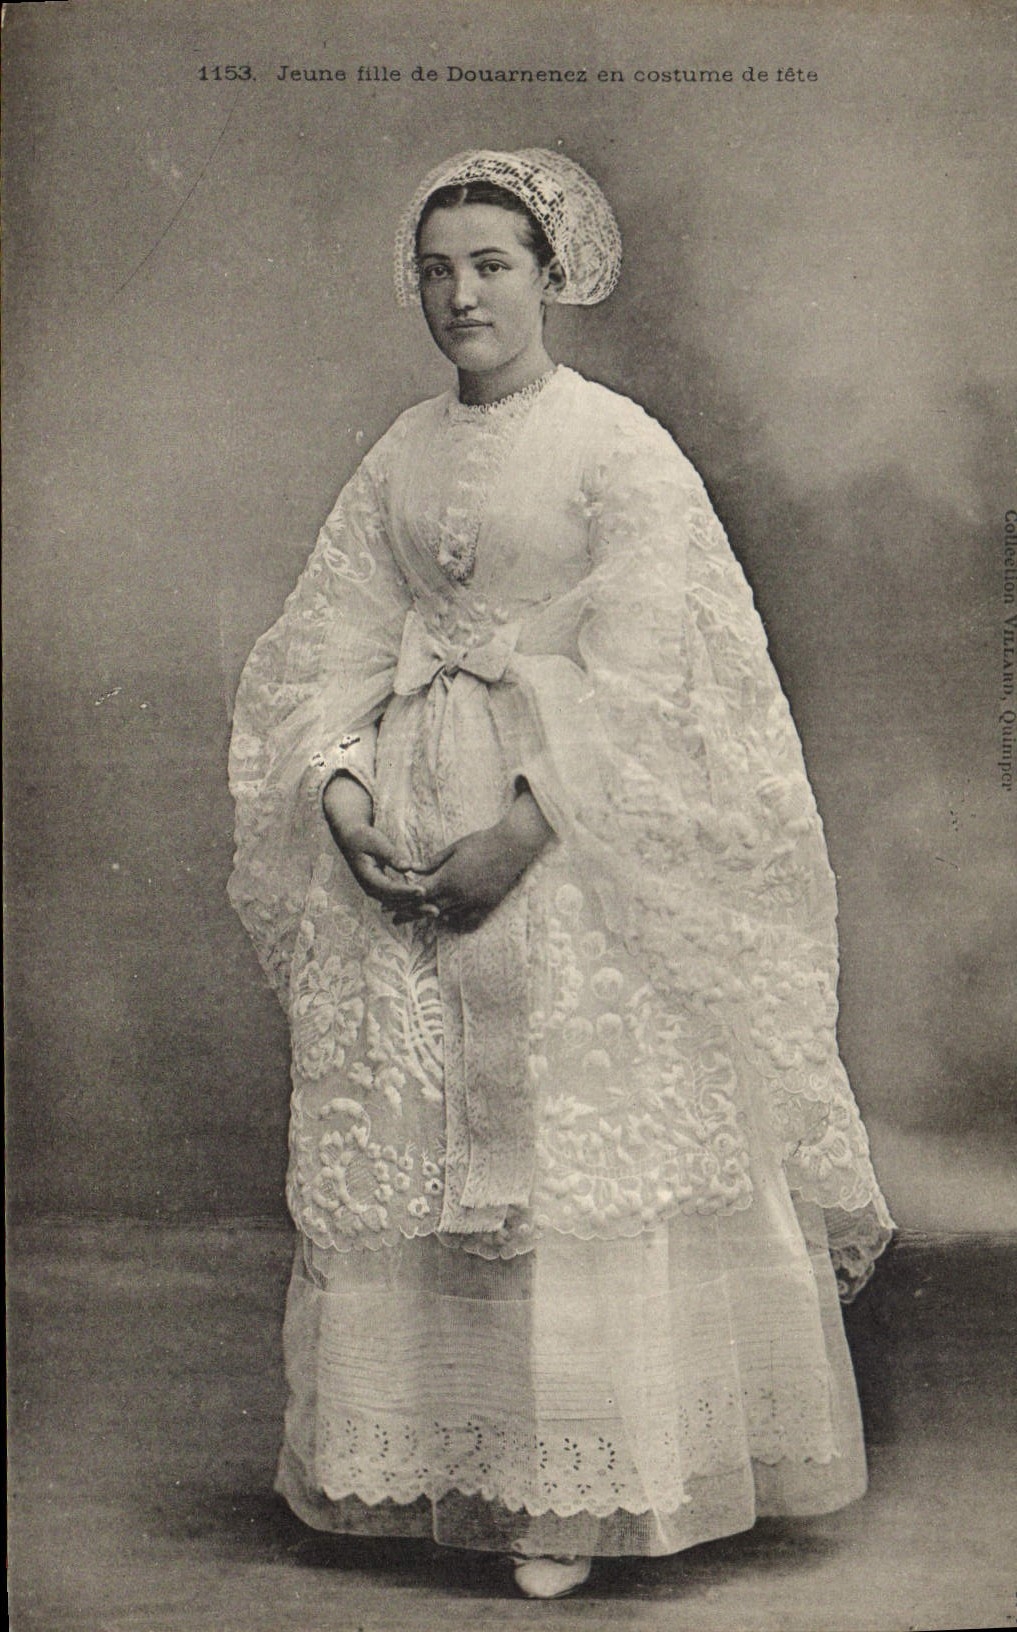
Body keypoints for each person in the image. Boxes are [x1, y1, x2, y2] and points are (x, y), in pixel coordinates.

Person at [228, 147, 894, 1601]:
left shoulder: (614, 446)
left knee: (578, 1147)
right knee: (410, 1129)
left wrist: (523, 835)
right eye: (437, 268)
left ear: (550, 277)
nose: (460, 295)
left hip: (566, 842)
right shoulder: (397, 452)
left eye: (490, 265)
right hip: (407, 825)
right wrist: (341, 792)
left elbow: (653, 670)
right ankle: (451, 1456)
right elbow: (329, 639)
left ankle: (572, 1493)